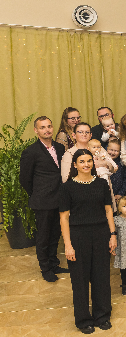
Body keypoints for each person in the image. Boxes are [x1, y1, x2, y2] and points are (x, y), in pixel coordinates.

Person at [59, 149, 116, 334]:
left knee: (101, 277)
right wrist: (68, 245)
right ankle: (84, 320)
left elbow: (108, 210)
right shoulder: (67, 187)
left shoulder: (101, 183)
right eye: (82, 161)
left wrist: (113, 234)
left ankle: (102, 316)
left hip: (101, 234)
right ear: (75, 165)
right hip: (78, 236)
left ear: (93, 162)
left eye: (89, 160)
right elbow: (64, 218)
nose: (86, 164)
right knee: (80, 280)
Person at [19, 116, 67, 282]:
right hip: (42, 201)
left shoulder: (60, 148)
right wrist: (37, 193)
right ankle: (45, 268)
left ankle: (54, 263)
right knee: (43, 236)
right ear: (36, 130)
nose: (47, 130)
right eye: (42, 127)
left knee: (55, 235)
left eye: (49, 126)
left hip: (59, 199)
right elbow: (24, 179)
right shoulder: (31, 151)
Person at [106, 139, 126, 208]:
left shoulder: (122, 163)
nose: (113, 153)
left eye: (116, 151)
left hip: (118, 195)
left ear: (120, 152)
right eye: (111, 150)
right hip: (105, 195)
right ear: (107, 149)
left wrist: (120, 193)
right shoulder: (103, 162)